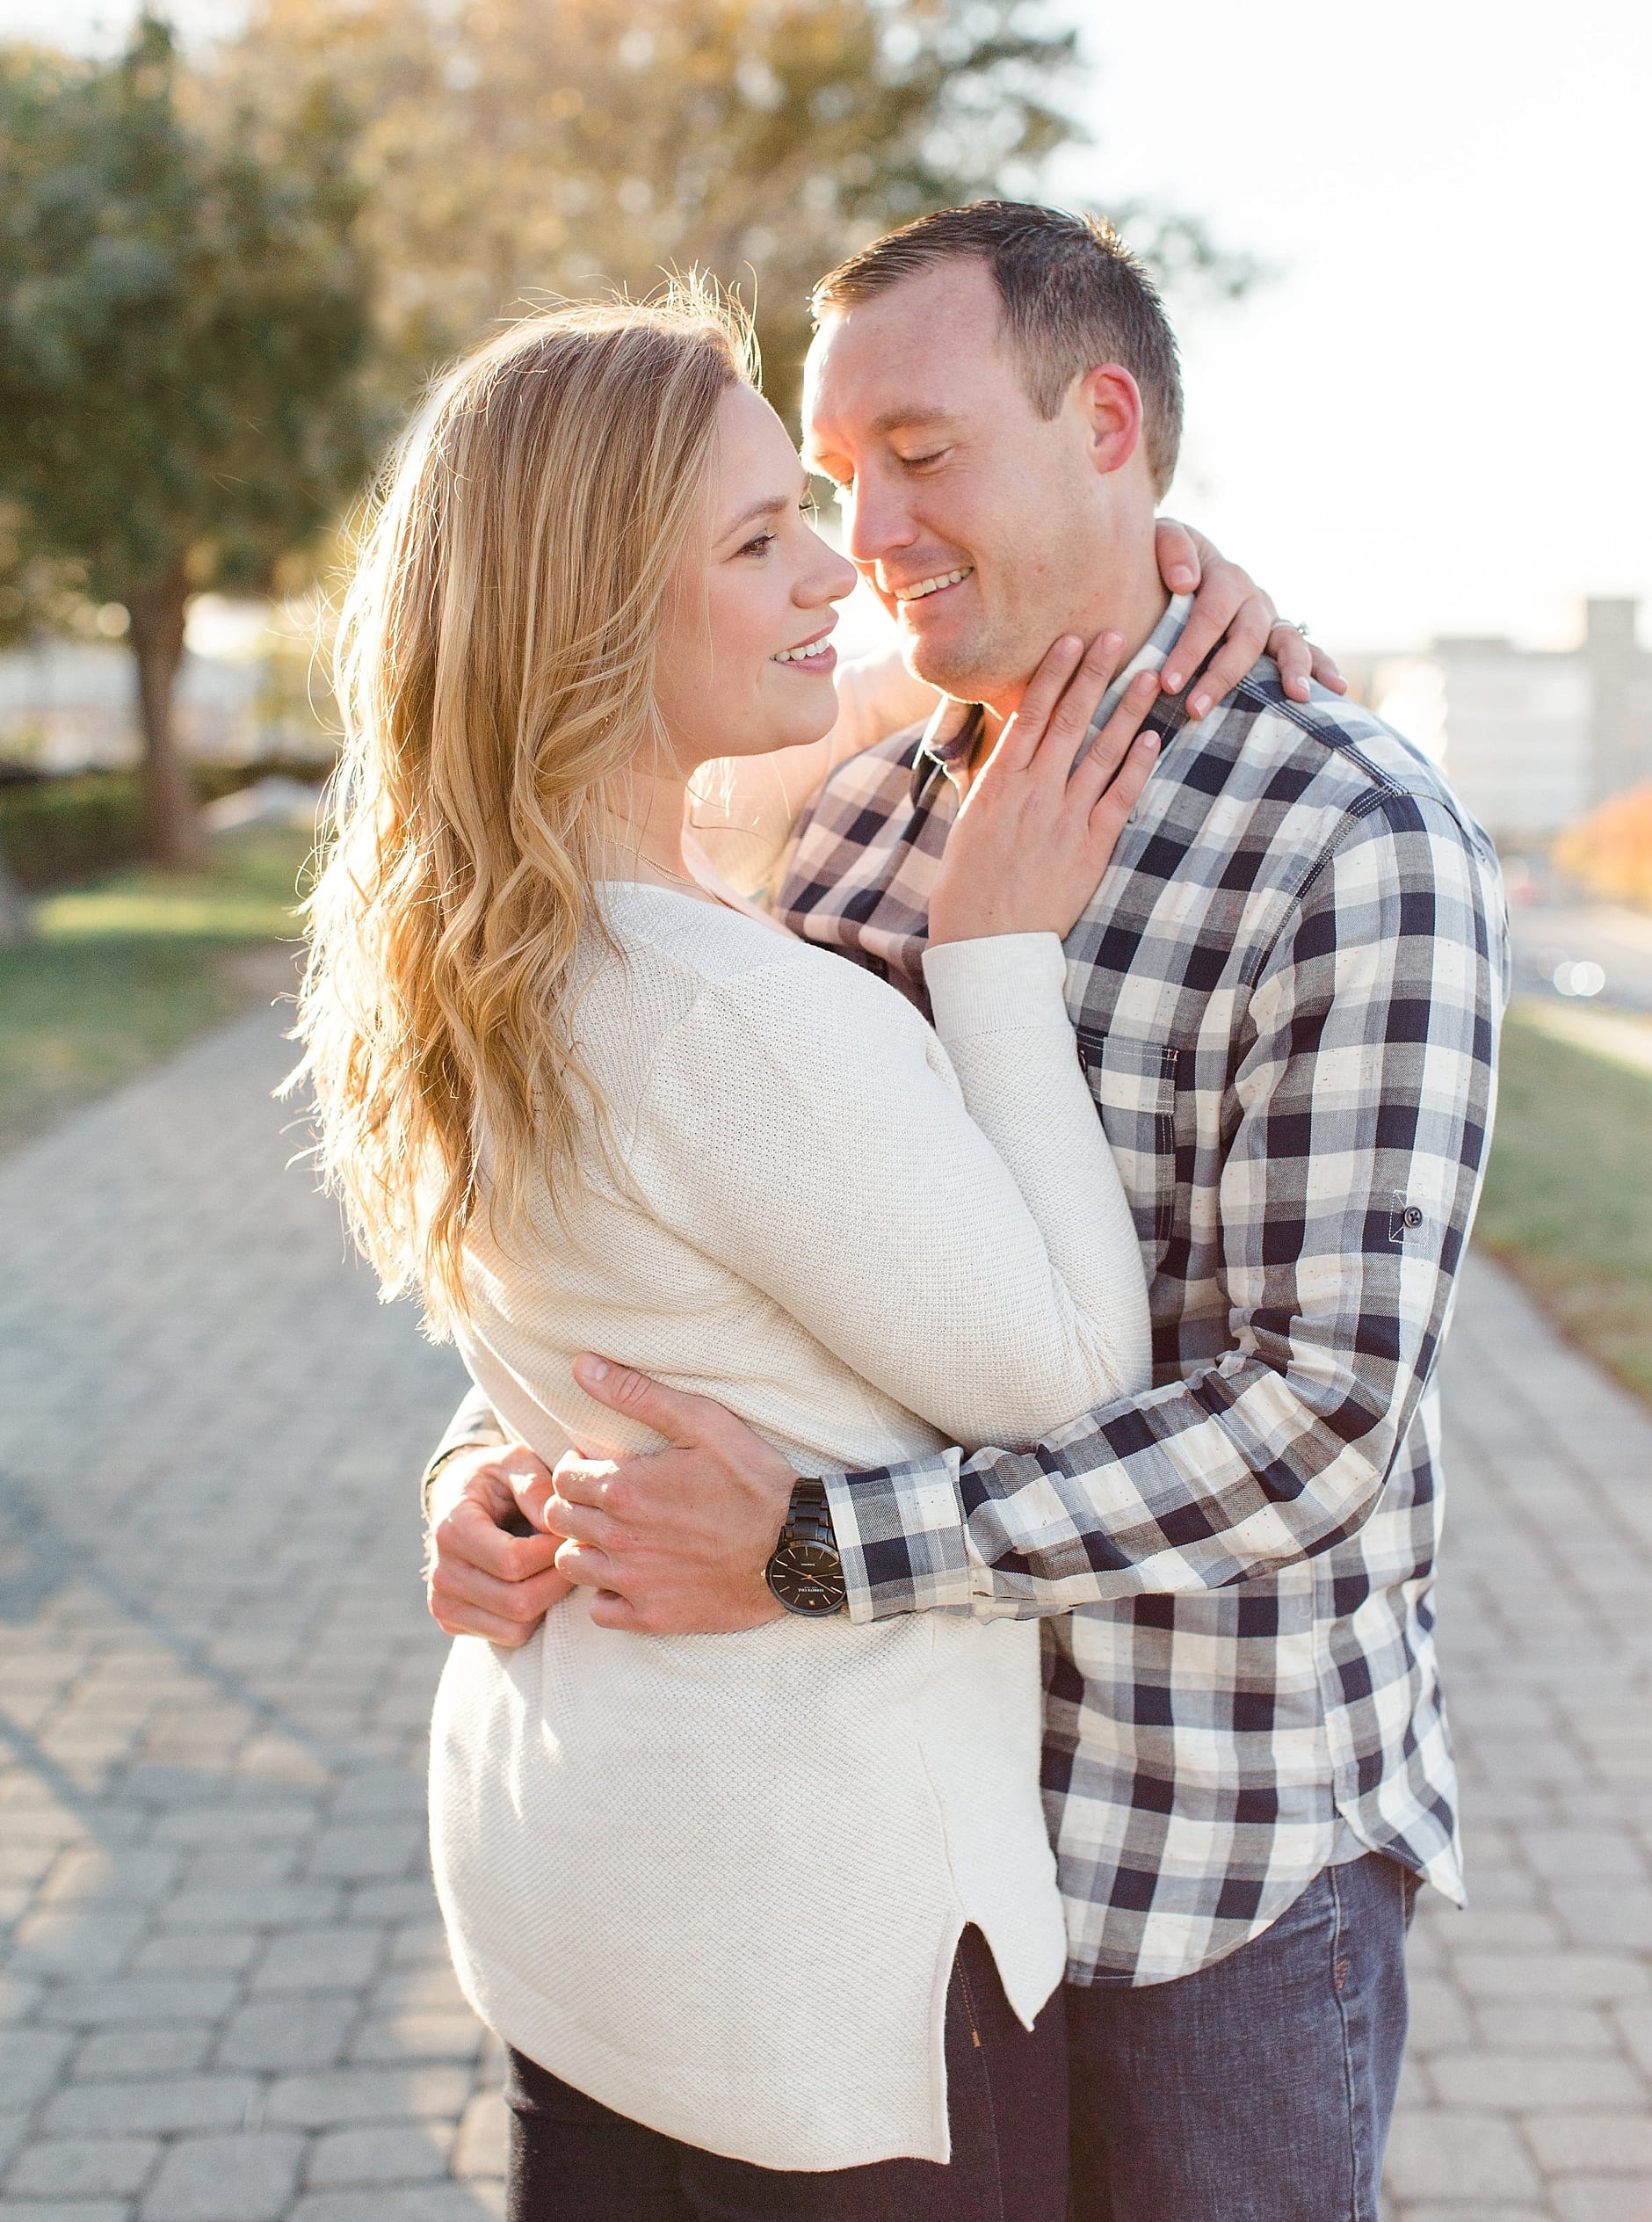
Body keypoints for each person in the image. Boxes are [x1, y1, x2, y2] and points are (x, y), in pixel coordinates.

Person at [426, 206, 1510, 2222]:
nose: (868, 534)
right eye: (829, 483)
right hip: (913, 1888)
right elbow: (716, 1244)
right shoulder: (857, 805)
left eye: (919, 456)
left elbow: (1323, 1420)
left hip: (1206, 1873)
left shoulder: (1347, 836)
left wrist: (828, 1552)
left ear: (1109, 422)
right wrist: (505, 1466)